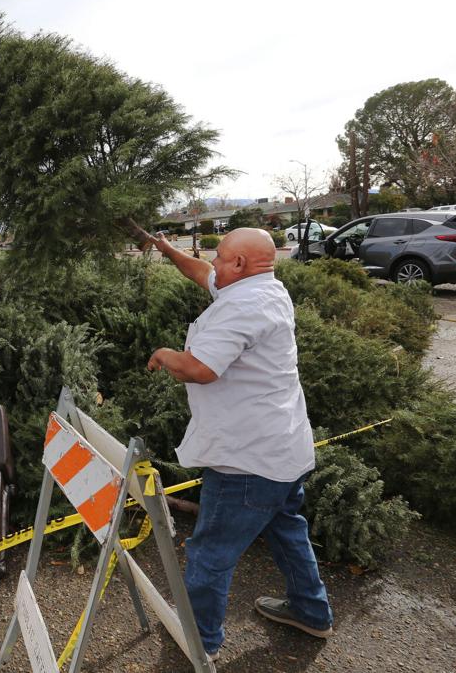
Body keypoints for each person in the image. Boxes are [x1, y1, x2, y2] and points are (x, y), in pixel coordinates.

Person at [145, 227, 333, 661]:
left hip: (247, 462)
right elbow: (201, 274)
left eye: (219, 255)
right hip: (283, 449)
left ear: (240, 264)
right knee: (288, 531)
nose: (212, 262)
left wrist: (164, 353)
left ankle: (200, 642)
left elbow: (199, 368)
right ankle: (311, 612)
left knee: (210, 551)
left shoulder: (244, 306)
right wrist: (166, 249)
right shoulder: (265, 288)